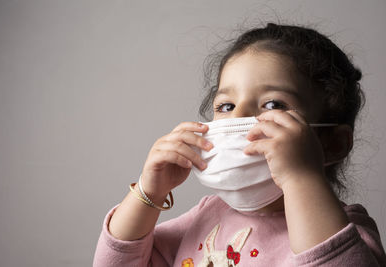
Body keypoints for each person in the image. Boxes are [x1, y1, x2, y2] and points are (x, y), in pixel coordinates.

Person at [93, 23, 386, 266]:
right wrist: (150, 191)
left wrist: (301, 178)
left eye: (272, 104)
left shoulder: (347, 230)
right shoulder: (209, 213)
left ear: (333, 144)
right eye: (226, 105)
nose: (240, 117)